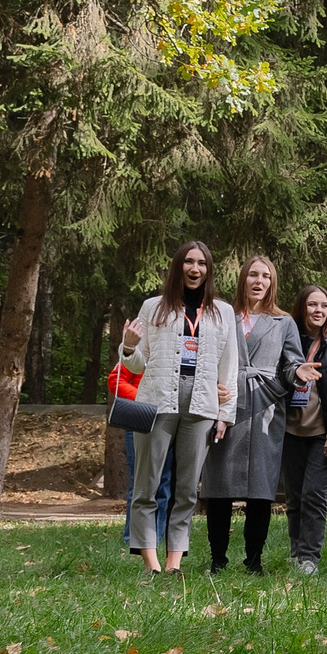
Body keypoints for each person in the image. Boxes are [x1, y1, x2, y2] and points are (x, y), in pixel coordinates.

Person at [120, 241, 240, 575]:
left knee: (187, 489)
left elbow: (228, 366)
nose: (195, 269)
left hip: (202, 402)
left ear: (208, 270)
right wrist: (128, 346)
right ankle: (151, 563)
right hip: (157, 401)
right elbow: (138, 362)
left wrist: (224, 414)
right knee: (148, 485)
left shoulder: (222, 312)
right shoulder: (153, 308)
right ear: (178, 267)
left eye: (202, 263)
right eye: (189, 262)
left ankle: (174, 563)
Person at [201, 255, 297, 574]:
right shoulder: (222, 316)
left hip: (265, 410)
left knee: (261, 489)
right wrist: (212, 386)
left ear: (272, 283)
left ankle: (254, 561)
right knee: (219, 486)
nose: (259, 281)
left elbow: (291, 365)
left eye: (265, 276)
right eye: (253, 275)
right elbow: (206, 356)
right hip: (225, 406)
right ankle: (218, 559)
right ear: (243, 279)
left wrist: (291, 379)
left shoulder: (284, 322)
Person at [280, 285, 327, 575]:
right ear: (301, 308)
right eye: (312, 305)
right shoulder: (287, 340)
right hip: (290, 429)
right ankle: (296, 551)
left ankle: (309, 557)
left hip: (323, 431)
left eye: (324, 306)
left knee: (314, 494)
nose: (319, 311)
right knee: (294, 495)